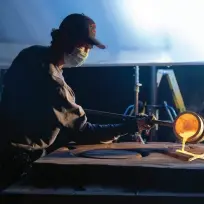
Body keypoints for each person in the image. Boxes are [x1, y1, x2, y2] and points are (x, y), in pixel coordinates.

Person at [0, 13, 153, 190]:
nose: (86, 51)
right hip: (17, 162)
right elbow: (84, 131)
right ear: (65, 39)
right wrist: (131, 126)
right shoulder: (55, 85)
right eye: (84, 45)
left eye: (89, 47)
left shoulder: (30, 54)